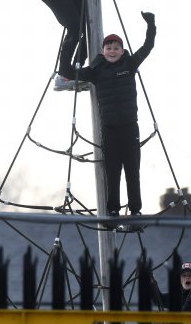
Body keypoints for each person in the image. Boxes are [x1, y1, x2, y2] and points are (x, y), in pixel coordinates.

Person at [57, 12, 156, 216]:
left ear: (122, 51)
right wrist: (69, 41)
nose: (112, 51)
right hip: (109, 128)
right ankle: (113, 210)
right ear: (103, 51)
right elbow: (67, 71)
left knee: (132, 170)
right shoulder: (96, 70)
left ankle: (135, 210)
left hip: (130, 126)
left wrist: (151, 25)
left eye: (116, 48)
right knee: (112, 171)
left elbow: (148, 47)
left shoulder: (129, 65)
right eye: (109, 48)